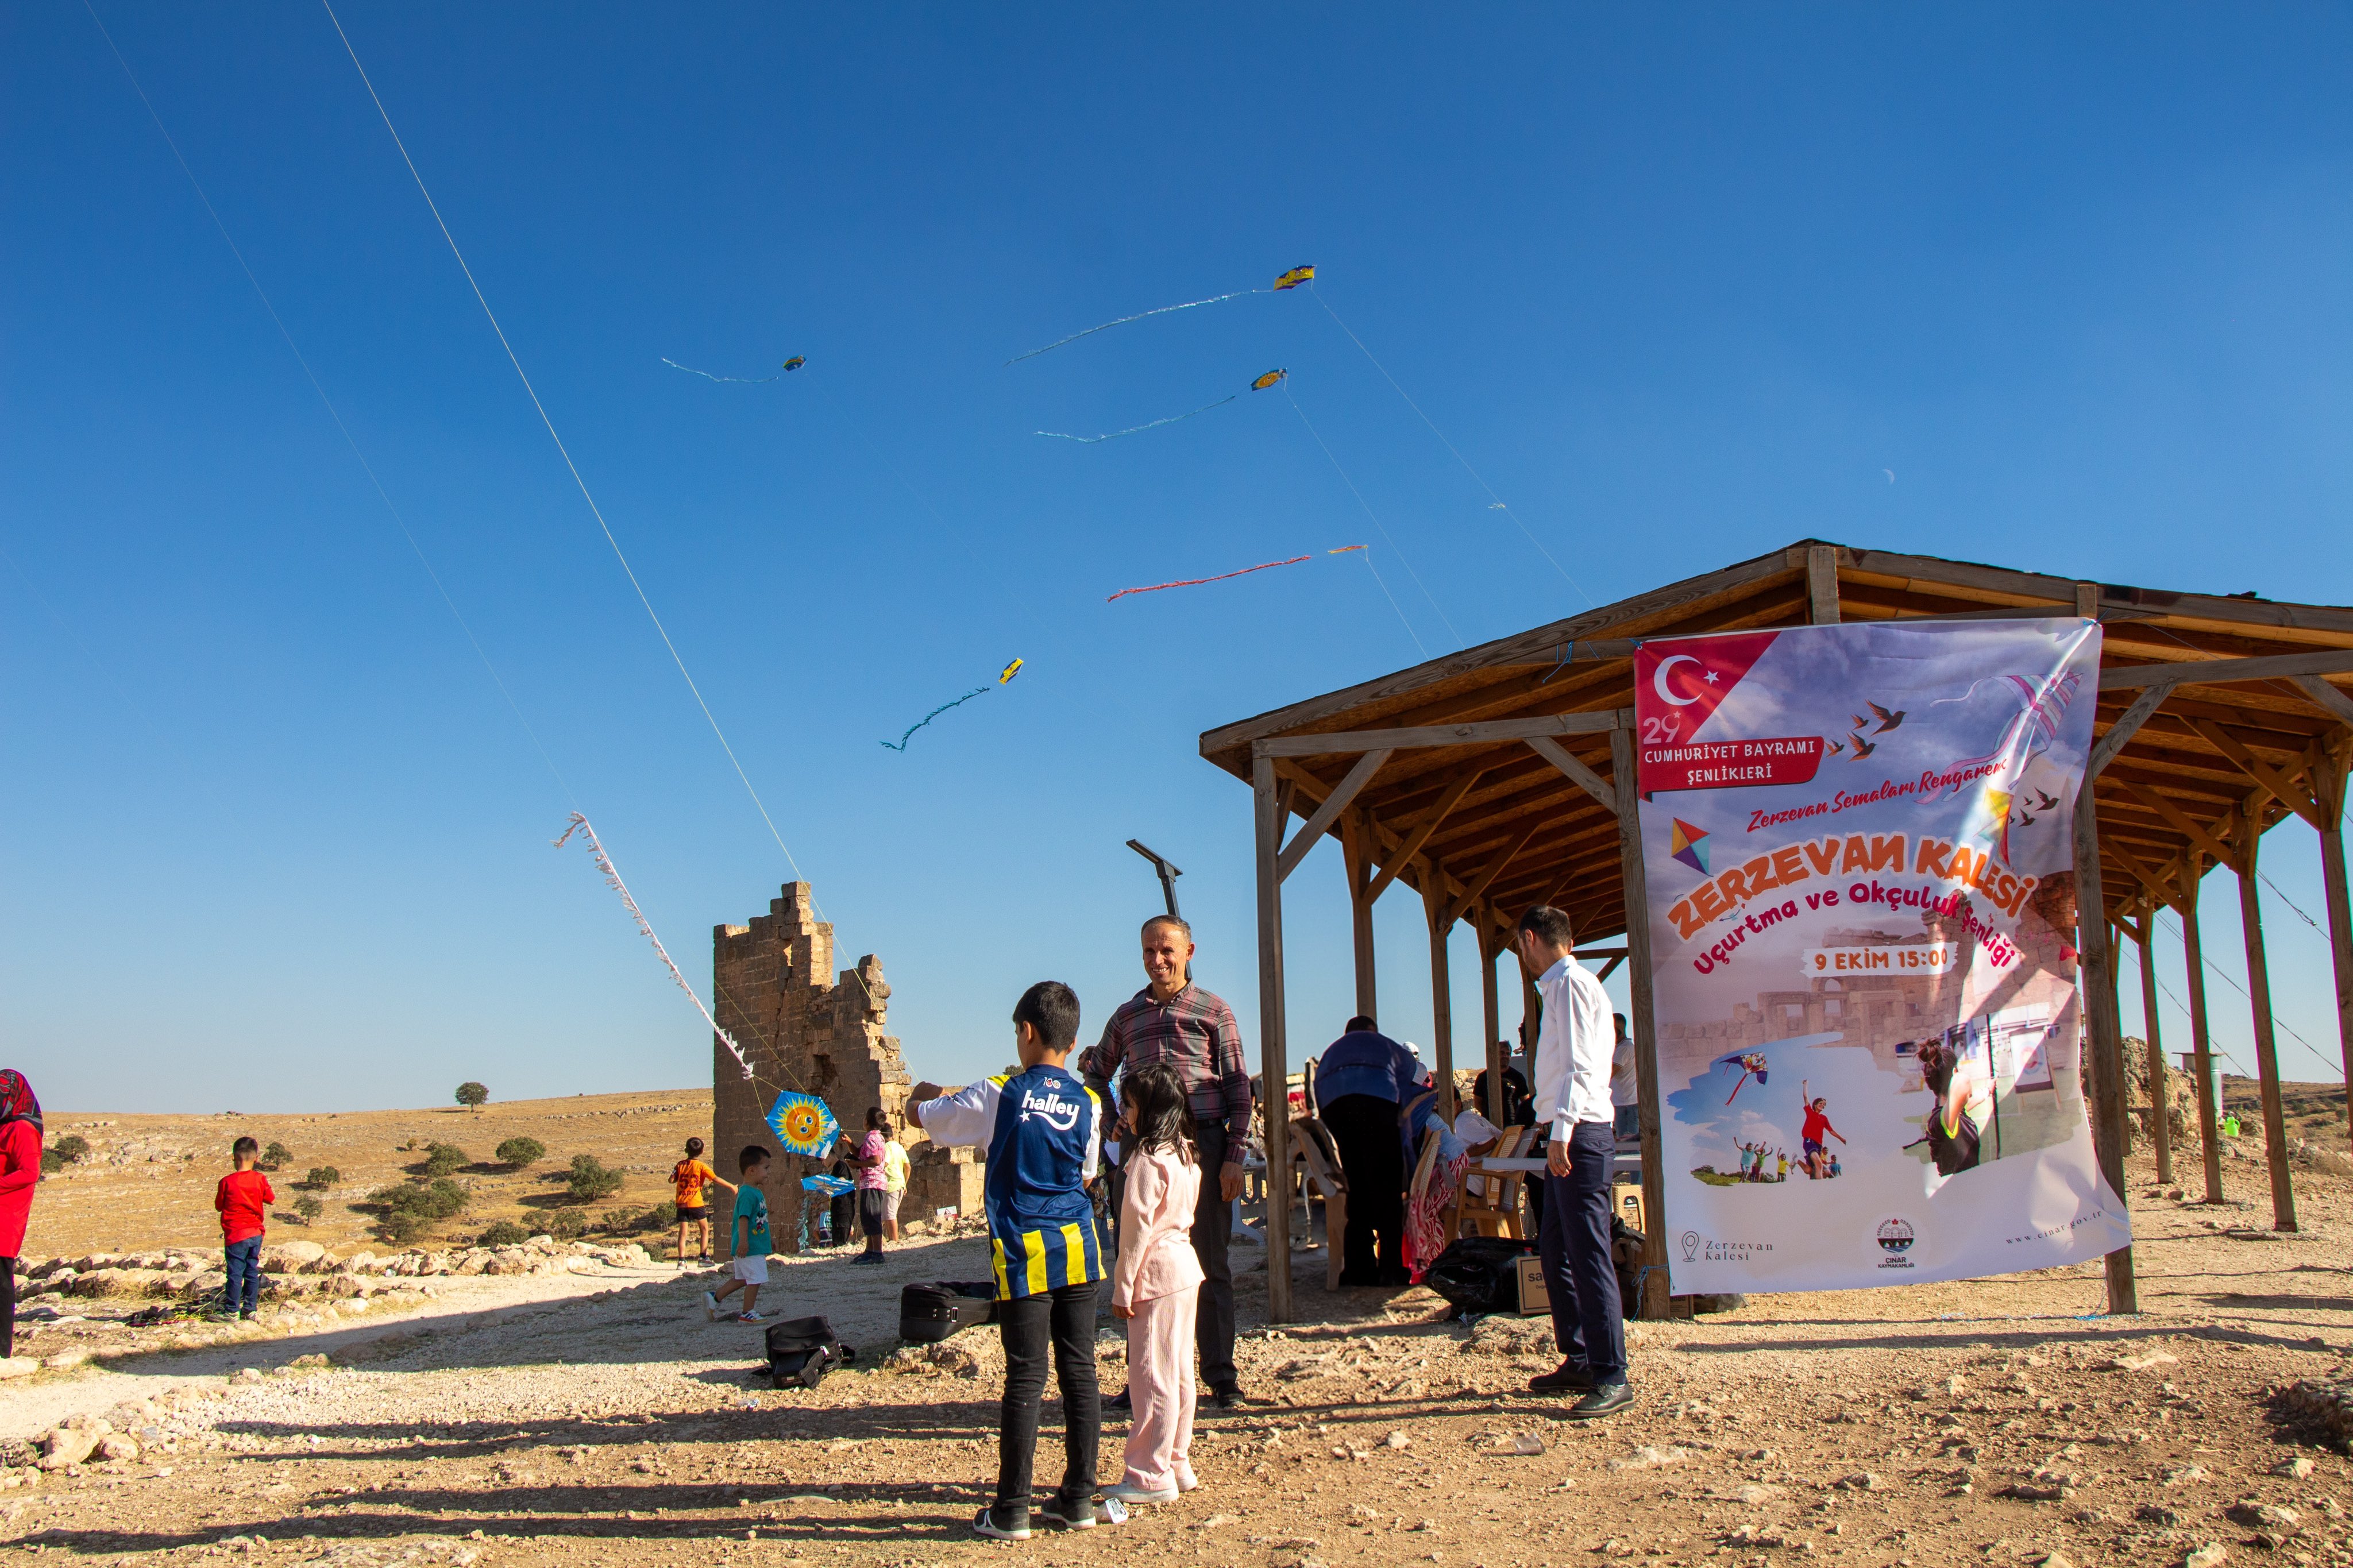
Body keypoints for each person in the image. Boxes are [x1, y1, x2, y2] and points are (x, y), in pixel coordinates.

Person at [912, 981, 1107, 1539]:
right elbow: (1087, 1171)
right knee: (1081, 1372)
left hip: (1024, 1249)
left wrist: (918, 1097)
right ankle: (1079, 1499)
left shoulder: (999, 1093)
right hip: (1079, 1245)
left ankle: (1012, 1507)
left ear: (1026, 1032)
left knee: (1025, 1377)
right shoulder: (1089, 1101)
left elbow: (926, 1117)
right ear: (1071, 1041)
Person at [1076, 915, 1255, 1412]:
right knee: (1137, 1264)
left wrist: (1234, 1157)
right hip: (1139, 1154)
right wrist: (1114, 1118)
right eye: (1150, 953)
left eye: (1167, 951)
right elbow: (1096, 1074)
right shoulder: (1126, 1017)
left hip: (1205, 1150)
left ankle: (1222, 1379)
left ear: (1189, 951)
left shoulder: (1214, 1012)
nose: (1159, 960)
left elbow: (1240, 1088)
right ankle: (1142, 1381)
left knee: (1211, 1264)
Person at [1515, 905, 1629, 1418]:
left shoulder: (1570, 984)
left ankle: (1611, 1373)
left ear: (1530, 940)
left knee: (1587, 1252)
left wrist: (1561, 1130)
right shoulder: (1566, 985)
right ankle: (1580, 1354)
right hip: (1570, 1132)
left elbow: (1582, 1065)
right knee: (1558, 1245)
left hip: (1579, 1133)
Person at [1102, 1062, 1206, 1506]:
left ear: (1147, 1108)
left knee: (1150, 1375)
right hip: (1185, 1268)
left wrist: (1123, 1288)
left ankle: (1148, 1471)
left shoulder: (1146, 1159)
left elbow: (1135, 1232)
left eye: (1128, 1104)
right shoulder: (1185, 1153)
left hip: (1157, 1271)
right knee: (1181, 1372)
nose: (1124, 1113)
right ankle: (1176, 1460)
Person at [1312, 1015, 1418, 1287]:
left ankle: (1358, 1270)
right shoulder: (1381, 1043)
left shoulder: (1332, 1050)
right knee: (1388, 1187)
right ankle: (1391, 1271)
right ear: (1373, 1031)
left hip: (1337, 1109)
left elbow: (1318, 1088)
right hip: (1380, 1106)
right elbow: (1409, 1067)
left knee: (1357, 1187)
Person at [0, 1071, 43, 1362]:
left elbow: (29, 1172)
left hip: (6, 1216)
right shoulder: (5, 1126)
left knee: (2, 1282)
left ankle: (2, 1349)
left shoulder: (22, 1129)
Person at [704, 1145, 773, 1324]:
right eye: (766, 1168)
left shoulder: (753, 1192)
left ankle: (715, 1298)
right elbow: (743, 1219)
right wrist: (744, 1242)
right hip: (749, 1247)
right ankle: (747, 1313)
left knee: (742, 1278)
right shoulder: (748, 1194)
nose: (768, 1173)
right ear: (752, 1170)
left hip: (751, 1245)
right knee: (755, 1279)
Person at [214, 1136, 275, 1321]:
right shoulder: (260, 1179)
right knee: (251, 1271)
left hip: (235, 1235)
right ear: (257, 1158)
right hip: (255, 1233)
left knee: (234, 1273)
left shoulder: (227, 1182)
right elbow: (271, 1199)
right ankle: (250, 1309)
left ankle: (232, 1310)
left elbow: (219, 1206)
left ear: (233, 1157)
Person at [672, 1138, 736, 1266]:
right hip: (695, 1202)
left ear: (686, 1150)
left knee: (683, 1233)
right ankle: (703, 1258)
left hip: (682, 1203)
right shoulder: (701, 1166)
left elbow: (671, 1180)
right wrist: (732, 1186)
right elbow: (715, 1179)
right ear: (702, 1152)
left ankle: (681, 1261)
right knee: (705, 1229)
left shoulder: (680, 1164)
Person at [852, 1109, 891, 1265]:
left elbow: (874, 1161)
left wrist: (856, 1164)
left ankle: (877, 1253)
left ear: (867, 1122)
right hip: (870, 1183)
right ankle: (870, 1251)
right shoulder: (877, 1137)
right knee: (867, 1216)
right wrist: (849, 1144)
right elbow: (861, 1155)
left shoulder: (871, 1138)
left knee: (873, 1216)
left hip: (873, 1182)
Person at [1608, 1014, 1639, 1140]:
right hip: (1624, 1104)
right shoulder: (1622, 1048)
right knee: (1624, 1142)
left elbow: (1609, 1073)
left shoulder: (1624, 1049)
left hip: (1626, 1105)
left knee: (1628, 1144)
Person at [881, 1127, 912, 1241]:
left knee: (890, 1214)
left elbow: (885, 1163)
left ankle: (894, 1240)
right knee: (887, 1214)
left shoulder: (887, 1147)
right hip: (899, 1184)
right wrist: (905, 1184)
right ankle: (891, 1240)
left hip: (891, 1184)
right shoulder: (900, 1147)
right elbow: (908, 1167)